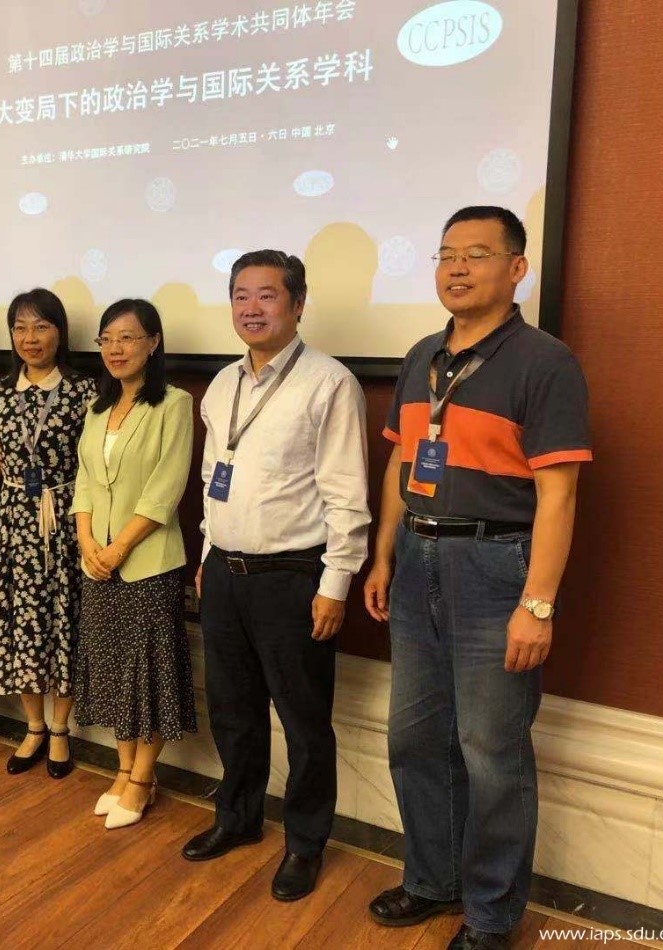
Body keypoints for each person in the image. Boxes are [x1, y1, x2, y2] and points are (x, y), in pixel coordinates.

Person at [362, 207, 592, 950]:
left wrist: (538, 604)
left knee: (491, 751)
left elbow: (559, 495)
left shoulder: (544, 362)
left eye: (476, 254)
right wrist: (383, 554)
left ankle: (492, 916)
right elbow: (401, 461)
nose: (456, 268)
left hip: (496, 567)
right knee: (414, 739)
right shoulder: (421, 355)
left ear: (516, 268)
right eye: (445, 254)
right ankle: (432, 880)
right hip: (415, 560)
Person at [181, 250, 371, 904]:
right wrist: (208, 554)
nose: (251, 308)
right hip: (224, 573)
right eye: (241, 295)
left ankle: (304, 844)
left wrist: (335, 584)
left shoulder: (329, 383)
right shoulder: (222, 384)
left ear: (297, 304)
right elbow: (213, 478)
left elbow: (347, 494)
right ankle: (237, 818)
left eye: (266, 295)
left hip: (293, 575)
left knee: (304, 720)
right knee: (233, 710)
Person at [71, 298, 196, 829]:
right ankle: (122, 770)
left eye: (127, 337)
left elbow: (166, 488)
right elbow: (84, 481)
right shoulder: (97, 409)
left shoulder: (174, 404)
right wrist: (86, 543)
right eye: (107, 339)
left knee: (149, 672)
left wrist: (118, 547)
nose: (116, 349)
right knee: (114, 670)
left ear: (153, 342)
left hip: (149, 561)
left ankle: (143, 778)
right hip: (97, 562)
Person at [0, 288, 96, 777]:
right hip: (13, 524)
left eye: (41, 327)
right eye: (21, 328)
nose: (31, 338)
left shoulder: (84, 392)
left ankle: (61, 730)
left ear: (59, 333)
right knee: (20, 626)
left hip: (67, 521)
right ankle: (34, 727)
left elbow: (95, 466)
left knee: (64, 623)